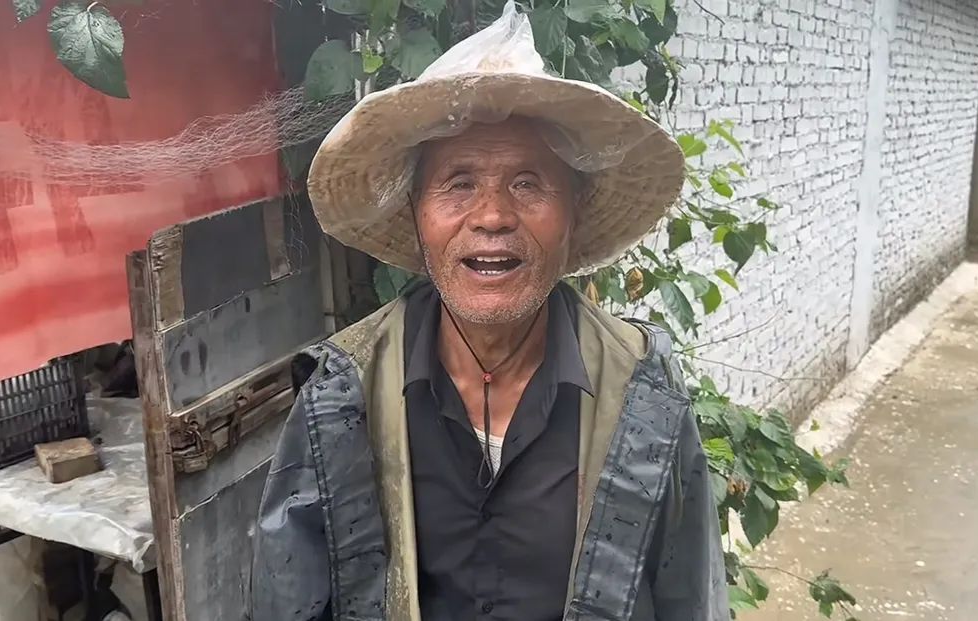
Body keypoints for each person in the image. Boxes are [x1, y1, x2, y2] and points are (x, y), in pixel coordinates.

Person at [251, 5, 728, 620]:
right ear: (415, 212)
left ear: (574, 212)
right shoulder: (343, 393)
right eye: (459, 183)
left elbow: (690, 595)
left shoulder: (643, 390)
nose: (494, 216)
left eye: (528, 183)